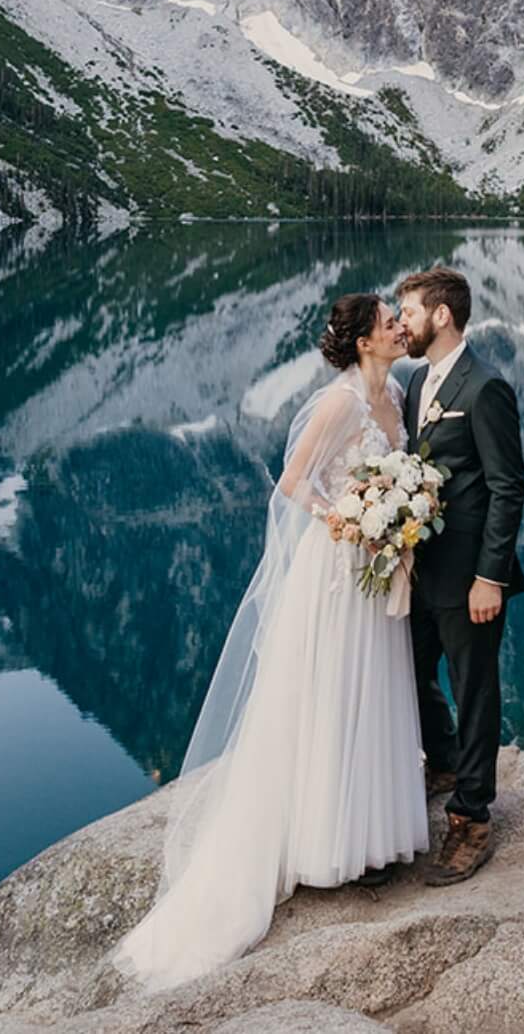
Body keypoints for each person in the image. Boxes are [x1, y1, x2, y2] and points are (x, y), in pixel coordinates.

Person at [111, 293, 427, 991]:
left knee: (372, 693)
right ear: (364, 343)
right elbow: (292, 484)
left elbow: (394, 472)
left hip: (376, 567)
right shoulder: (339, 403)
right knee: (330, 694)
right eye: (389, 324)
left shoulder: (396, 396)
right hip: (338, 568)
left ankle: (369, 837)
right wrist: (351, 520)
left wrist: (398, 513)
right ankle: (322, 843)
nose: (401, 329)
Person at [396, 265, 524, 886]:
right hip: (420, 571)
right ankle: (445, 762)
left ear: (441, 315)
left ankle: (472, 816)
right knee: (411, 673)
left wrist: (490, 578)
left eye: (410, 313)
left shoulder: (486, 387)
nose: (403, 324)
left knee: (474, 688)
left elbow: (507, 488)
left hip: (470, 577)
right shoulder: (419, 379)